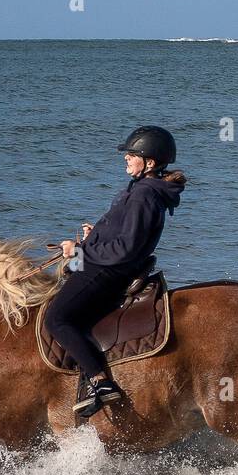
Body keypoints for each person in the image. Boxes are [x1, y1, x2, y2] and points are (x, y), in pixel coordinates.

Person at [45, 126, 186, 417]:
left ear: (149, 163)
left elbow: (126, 248)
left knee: (57, 318)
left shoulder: (143, 195)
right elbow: (123, 234)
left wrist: (79, 251)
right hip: (103, 261)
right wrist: (97, 233)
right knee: (56, 284)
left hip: (108, 271)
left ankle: (100, 381)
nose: (126, 158)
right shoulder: (140, 189)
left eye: (132, 154)